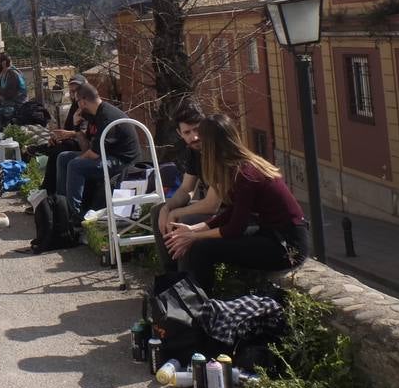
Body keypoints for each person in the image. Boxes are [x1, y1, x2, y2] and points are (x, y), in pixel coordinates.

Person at [164, 114, 309, 291]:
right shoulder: (237, 166)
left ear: (212, 145)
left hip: (286, 246)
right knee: (197, 244)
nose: (198, 144)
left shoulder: (245, 174)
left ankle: (199, 306)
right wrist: (194, 229)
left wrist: (194, 236)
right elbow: (232, 213)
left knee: (202, 249)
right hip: (272, 235)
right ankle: (185, 295)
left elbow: (234, 228)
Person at [152, 103, 222, 272]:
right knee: (157, 211)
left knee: (183, 222)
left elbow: (213, 204)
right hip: (214, 209)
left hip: (232, 213)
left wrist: (176, 213)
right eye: (187, 132)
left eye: (197, 130)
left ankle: (187, 283)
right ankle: (171, 274)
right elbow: (186, 189)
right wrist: (167, 208)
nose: (194, 137)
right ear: (179, 133)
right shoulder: (193, 151)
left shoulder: (218, 150)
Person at [55, 84, 140, 220]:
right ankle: (61, 205)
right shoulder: (93, 115)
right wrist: (77, 128)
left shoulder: (107, 117)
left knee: (75, 165)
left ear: (83, 101)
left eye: (77, 101)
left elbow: (93, 154)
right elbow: (87, 148)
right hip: (105, 155)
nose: (77, 105)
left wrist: (78, 159)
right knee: (63, 157)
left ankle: (73, 215)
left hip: (122, 161)